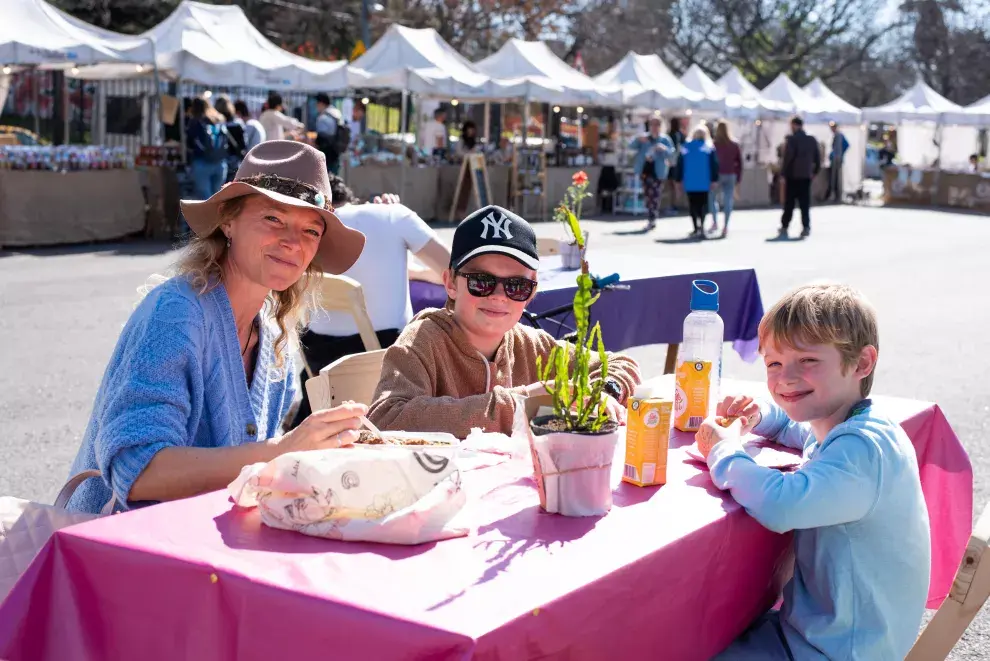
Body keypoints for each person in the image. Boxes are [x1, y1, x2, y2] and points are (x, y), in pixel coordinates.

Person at [65, 141, 368, 514]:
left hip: (203, 549)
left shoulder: (275, 335)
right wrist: (282, 452)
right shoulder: (176, 313)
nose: (293, 242)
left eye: (311, 230)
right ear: (228, 220)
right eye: (274, 218)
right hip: (113, 552)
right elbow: (139, 472)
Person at [699, 283, 930, 660]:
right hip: (833, 634)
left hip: (835, 650)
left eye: (806, 361)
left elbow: (780, 504)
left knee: (686, 643)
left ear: (861, 363)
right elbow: (802, 433)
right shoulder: (849, 424)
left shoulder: (862, 449)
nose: (785, 378)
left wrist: (722, 450)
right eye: (773, 363)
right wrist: (760, 417)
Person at [368, 205, 642, 438]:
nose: (499, 296)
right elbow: (386, 418)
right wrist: (522, 403)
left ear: (532, 292)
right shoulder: (421, 341)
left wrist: (602, 392)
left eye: (516, 285)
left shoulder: (530, 343)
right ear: (451, 283)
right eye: (481, 282)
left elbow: (621, 364)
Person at [290, 176, 451, 427]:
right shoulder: (393, 215)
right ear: (353, 199)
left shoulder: (303, 225)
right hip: (388, 364)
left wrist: (401, 268)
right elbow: (454, 273)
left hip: (321, 365)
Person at [630, 116, 675, 232]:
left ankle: (652, 217)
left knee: (655, 194)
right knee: (647, 194)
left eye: (657, 125)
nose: (654, 127)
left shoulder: (664, 139)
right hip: (645, 170)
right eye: (652, 125)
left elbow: (672, 153)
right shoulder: (644, 138)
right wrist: (638, 139)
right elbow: (631, 146)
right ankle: (651, 215)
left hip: (658, 171)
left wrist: (663, 149)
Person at [779, 116, 821, 239]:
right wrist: (814, 172)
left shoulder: (792, 140)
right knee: (805, 203)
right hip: (806, 176)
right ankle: (806, 226)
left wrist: (783, 173)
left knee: (789, 203)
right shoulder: (811, 140)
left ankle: (785, 225)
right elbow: (817, 158)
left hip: (793, 175)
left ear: (795, 125)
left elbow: (788, 158)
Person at [675, 125, 719, 239]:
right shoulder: (709, 148)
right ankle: (702, 226)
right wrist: (714, 179)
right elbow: (714, 165)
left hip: (690, 180)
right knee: (703, 204)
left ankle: (695, 227)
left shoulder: (685, 147)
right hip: (704, 180)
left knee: (693, 204)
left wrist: (678, 179)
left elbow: (679, 164)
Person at [186, 97, 231, 201]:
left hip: (201, 163)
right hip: (220, 162)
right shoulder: (218, 119)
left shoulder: (195, 122)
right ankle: (217, 217)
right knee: (217, 198)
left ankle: (209, 217)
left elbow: (190, 142)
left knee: (205, 199)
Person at [712, 120, 742, 238]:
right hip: (730, 174)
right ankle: (725, 225)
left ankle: (715, 221)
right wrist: (738, 178)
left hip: (717, 174)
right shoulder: (734, 144)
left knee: (712, 198)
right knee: (728, 200)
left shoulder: (714, 144)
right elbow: (739, 163)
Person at [213, 95, 246, 183]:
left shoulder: (214, 124)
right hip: (234, 161)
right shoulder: (237, 124)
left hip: (218, 160)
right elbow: (243, 145)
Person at [314, 92, 347, 176]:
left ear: (321, 103)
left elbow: (321, 138)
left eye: (316, 104)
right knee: (335, 180)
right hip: (337, 151)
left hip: (327, 155)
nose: (316, 106)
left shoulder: (323, 118)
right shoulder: (337, 113)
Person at [825, 122, 849, 202]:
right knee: (834, 177)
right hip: (836, 158)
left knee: (835, 178)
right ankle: (835, 195)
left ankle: (836, 195)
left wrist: (840, 154)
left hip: (837, 159)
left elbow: (846, 145)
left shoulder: (839, 135)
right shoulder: (837, 135)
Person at [667, 117, 686, 213]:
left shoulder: (671, 135)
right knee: (675, 185)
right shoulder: (681, 135)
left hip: (672, 163)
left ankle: (674, 205)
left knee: (674, 186)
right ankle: (675, 204)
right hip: (677, 163)